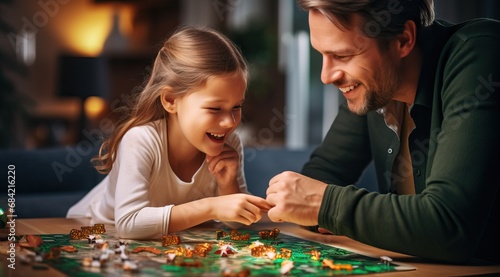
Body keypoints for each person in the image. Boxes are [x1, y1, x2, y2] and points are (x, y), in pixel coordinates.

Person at [266, 0, 500, 263]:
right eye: (321, 54)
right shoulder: (375, 89)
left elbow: (450, 225)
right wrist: (318, 206)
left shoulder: (480, 53)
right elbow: (319, 179)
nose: (326, 75)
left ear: (403, 40)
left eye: (342, 56)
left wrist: (325, 206)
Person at [67, 26, 270, 239]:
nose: (229, 122)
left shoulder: (230, 144)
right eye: (215, 108)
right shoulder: (141, 140)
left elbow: (236, 223)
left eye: (236, 107)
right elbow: (129, 224)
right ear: (171, 101)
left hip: (162, 241)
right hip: (89, 231)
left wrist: (228, 185)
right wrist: (212, 207)